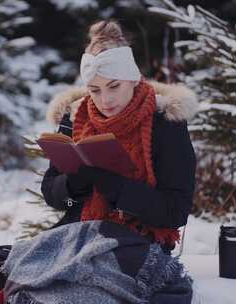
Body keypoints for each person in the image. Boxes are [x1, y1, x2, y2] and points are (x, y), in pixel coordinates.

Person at [41, 19, 198, 253]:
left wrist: (118, 189)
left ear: (133, 79)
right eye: (95, 90)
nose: (105, 100)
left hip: (139, 244)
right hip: (77, 235)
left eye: (114, 86)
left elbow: (175, 212)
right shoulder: (75, 117)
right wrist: (73, 185)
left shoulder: (165, 122)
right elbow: (52, 196)